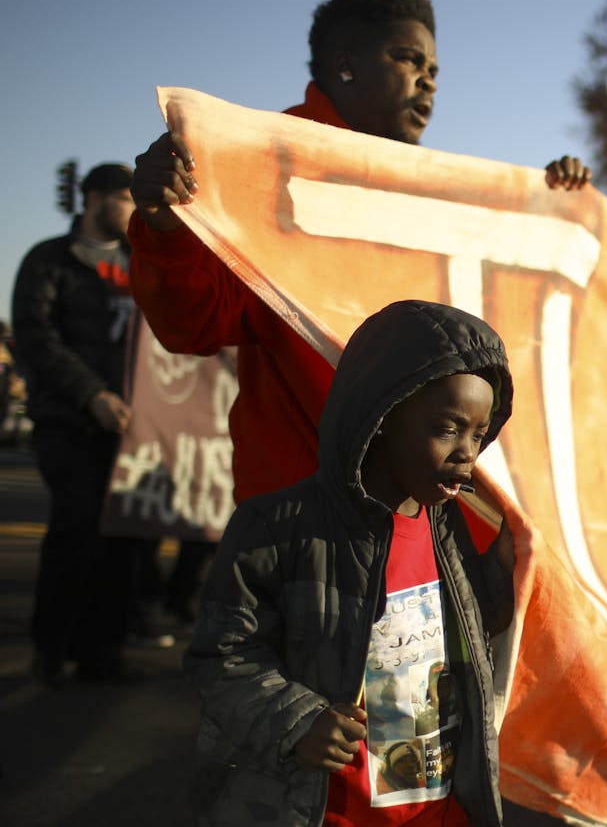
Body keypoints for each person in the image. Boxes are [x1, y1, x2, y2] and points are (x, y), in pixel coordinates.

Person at [127, 0, 590, 508]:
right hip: (302, 516)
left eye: (434, 70)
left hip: (416, 519)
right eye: (409, 59)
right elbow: (193, 326)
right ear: (346, 64)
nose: (428, 81)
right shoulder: (259, 168)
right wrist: (165, 226)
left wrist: (556, 205)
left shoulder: (427, 195)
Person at [185, 299, 517, 825]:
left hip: (435, 813)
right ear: (383, 417)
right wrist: (298, 721)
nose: (467, 453)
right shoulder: (277, 526)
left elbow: (465, 644)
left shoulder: (451, 531)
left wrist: (504, 572)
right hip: (323, 811)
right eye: (448, 428)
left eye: (479, 434)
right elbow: (221, 655)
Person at [12, 162, 149, 685]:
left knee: (123, 541)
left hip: (131, 427)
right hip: (68, 423)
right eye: (125, 200)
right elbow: (37, 339)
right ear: (94, 199)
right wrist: (90, 394)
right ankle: (51, 649)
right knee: (76, 531)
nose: (134, 211)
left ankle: (104, 653)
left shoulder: (142, 263)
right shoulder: (50, 261)